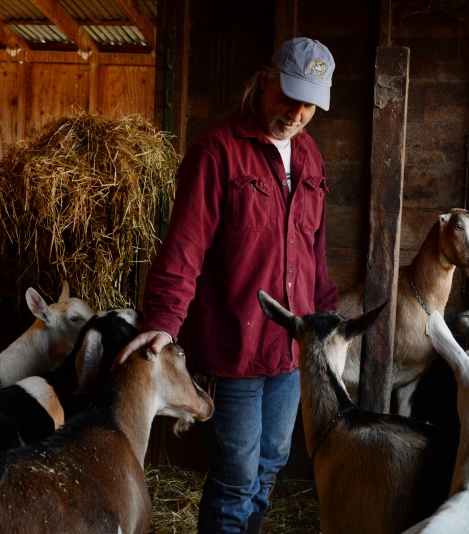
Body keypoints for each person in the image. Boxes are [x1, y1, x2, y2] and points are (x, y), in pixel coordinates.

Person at [116, 37, 338, 534]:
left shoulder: (309, 159)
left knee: (272, 462)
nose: (297, 114)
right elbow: (185, 247)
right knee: (236, 477)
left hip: (289, 347)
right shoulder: (217, 153)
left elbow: (315, 252)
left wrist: (323, 322)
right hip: (233, 348)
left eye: (310, 105)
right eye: (290, 97)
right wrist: (163, 324)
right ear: (265, 81)